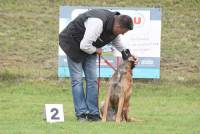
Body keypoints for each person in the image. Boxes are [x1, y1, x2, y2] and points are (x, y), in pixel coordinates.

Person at [59, 9, 134, 122]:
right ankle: (81, 114)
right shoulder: (97, 22)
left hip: (90, 46)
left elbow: (117, 42)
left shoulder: (114, 27)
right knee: (77, 80)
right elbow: (84, 45)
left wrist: (128, 56)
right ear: (118, 26)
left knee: (93, 80)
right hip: (73, 44)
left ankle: (93, 114)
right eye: (123, 31)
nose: (123, 34)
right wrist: (96, 50)